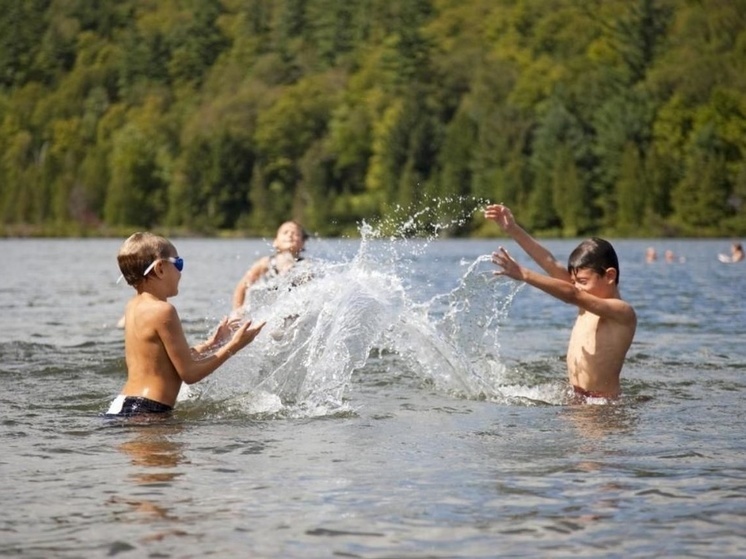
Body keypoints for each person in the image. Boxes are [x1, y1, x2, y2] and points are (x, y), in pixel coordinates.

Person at [484, 204, 637, 401]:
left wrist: (524, 274)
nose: (577, 286)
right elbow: (549, 262)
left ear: (609, 276)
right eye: (574, 281)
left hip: (603, 407)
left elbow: (573, 294)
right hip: (576, 399)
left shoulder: (622, 312)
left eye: (582, 281)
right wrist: (512, 228)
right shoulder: (586, 301)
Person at [106, 232, 265, 417]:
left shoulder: (133, 306)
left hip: (123, 404)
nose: (181, 272)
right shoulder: (163, 311)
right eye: (178, 263)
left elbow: (166, 362)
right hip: (147, 412)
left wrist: (211, 344)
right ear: (160, 269)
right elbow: (190, 374)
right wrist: (234, 346)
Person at [232, 220, 310, 314]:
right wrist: (237, 311)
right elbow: (242, 286)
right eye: (285, 232)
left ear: (302, 243)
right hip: (269, 308)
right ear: (275, 242)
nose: (290, 235)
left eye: (296, 234)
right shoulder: (266, 263)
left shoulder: (305, 265)